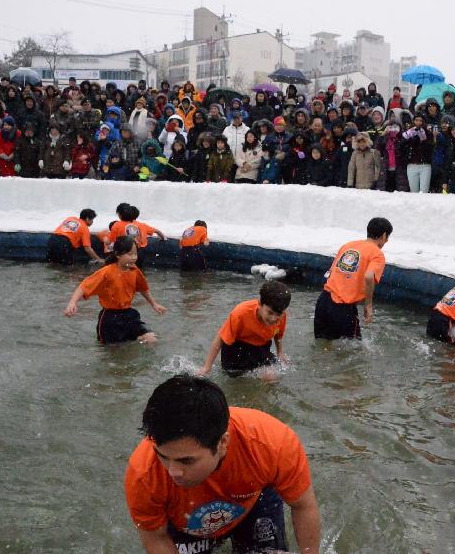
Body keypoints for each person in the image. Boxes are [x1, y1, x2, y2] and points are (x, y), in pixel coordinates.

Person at [124, 374, 320, 553]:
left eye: (186, 460)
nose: (173, 471)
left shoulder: (271, 444)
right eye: (163, 457)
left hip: (254, 504)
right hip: (184, 524)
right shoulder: (143, 473)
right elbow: (156, 538)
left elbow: (303, 506)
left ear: (223, 443)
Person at [64, 236, 165, 344]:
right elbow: (83, 287)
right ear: (117, 255)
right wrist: (72, 303)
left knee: (151, 339)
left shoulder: (134, 270)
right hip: (109, 319)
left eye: (135, 254)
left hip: (129, 315)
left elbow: (143, 288)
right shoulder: (107, 272)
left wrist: (154, 304)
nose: (134, 257)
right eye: (129, 254)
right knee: (114, 353)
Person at [314, 217, 391, 340]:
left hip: (323, 301)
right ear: (384, 235)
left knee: (322, 346)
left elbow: (332, 272)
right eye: (387, 238)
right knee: (353, 350)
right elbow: (369, 276)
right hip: (342, 308)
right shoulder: (377, 254)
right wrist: (368, 305)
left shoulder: (348, 246)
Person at [200, 281, 291, 377]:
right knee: (236, 379)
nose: (273, 319)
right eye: (270, 312)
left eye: (278, 314)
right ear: (260, 304)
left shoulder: (282, 316)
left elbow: (278, 335)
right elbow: (221, 338)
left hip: (261, 348)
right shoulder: (241, 313)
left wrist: (280, 352)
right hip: (236, 350)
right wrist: (207, 367)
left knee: (271, 376)